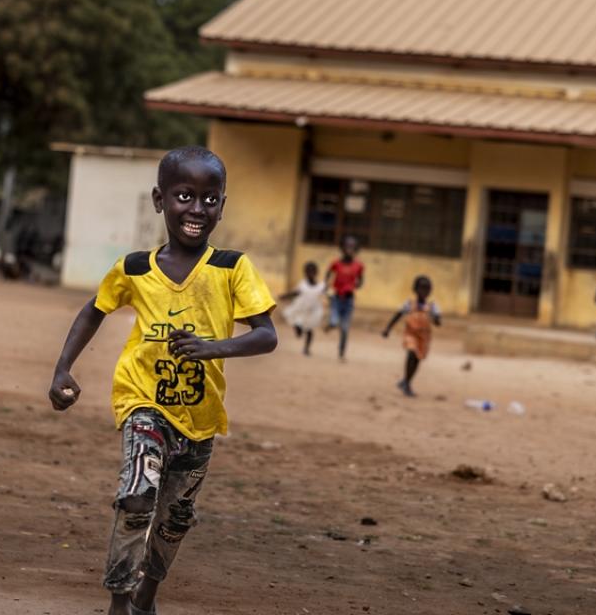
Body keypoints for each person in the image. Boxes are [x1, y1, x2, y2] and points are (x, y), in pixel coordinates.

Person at [47, 146, 277, 615]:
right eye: (184, 196)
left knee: (176, 517)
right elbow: (94, 310)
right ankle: (118, 602)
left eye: (209, 199)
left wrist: (213, 347)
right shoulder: (135, 268)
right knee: (137, 495)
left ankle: (145, 598)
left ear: (222, 206)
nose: (197, 209)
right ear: (160, 199)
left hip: (200, 415)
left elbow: (266, 335)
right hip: (143, 401)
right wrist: (63, 366)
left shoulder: (232, 267)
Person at [381, 275, 442, 397]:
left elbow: (438, 322)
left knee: (417, 359)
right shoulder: (409, 304)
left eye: (427, 289)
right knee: (411, 354)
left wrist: (435, 318)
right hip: (411, 334)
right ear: (415, 289)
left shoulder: (432, 306)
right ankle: (407, 384)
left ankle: (406, 381)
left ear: (430, 291)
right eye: (421, 288)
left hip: (424, 337)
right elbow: (398, 315)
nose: (424, 291)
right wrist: (387, 329)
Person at [324, 235, 364, 361]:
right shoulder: (336, 263)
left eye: (352, 246)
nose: (349, 249)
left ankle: (341, 352)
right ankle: (331, 324)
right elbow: (328, 274)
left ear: (356, 249)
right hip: (336, 298)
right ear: (342, 248)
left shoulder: (359, 266)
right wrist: (326, 285)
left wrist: (358, 284)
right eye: (347, 246)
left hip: (349, 300)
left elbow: (361, 281)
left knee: (345, 329)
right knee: (335, 322)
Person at [279, 261, 326, 356]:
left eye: (312, 272)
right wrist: (285, 296)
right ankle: (298, 329)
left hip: (312, 311)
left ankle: (306, 349)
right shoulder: (303, 284)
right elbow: (295, 293)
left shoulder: (321, 286)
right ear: (305, 273)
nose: (310, 274)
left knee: (309, 330)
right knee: (298, 324)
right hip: (301, 309)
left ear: (316, 273)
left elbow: (328, 294)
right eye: (308, 272)